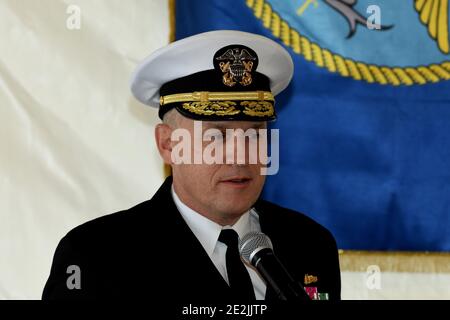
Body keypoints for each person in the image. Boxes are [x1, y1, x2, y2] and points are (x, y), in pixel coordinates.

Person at [42, 30, 341, 301]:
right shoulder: (95, 256)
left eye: (254, 133)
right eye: (216, 135)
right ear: (168, 144)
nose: (239, 156)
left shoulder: (310, 245)